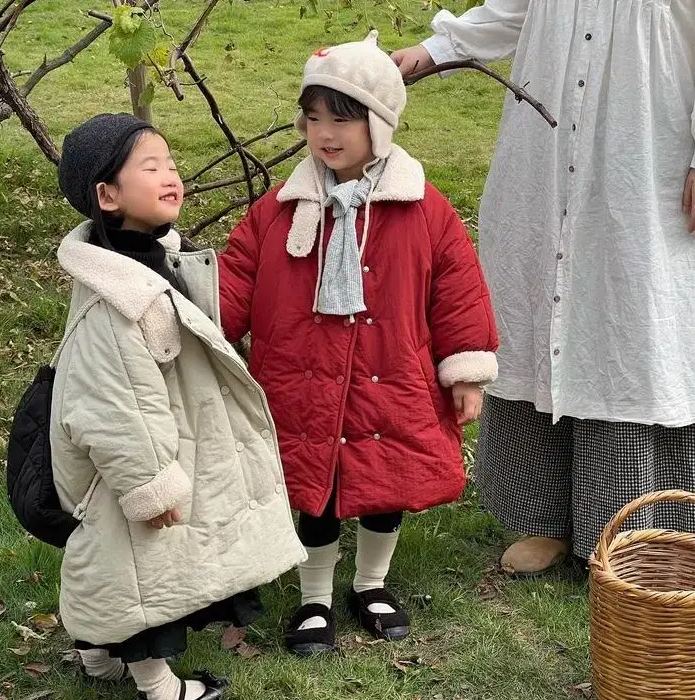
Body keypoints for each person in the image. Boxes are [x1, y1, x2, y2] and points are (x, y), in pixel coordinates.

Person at [218, 31, 498, 655]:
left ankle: (371, 583)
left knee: (382, 478)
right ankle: (315, 597)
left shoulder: (422, 208)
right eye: (313, 118)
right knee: (315, 486)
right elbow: (237, 273)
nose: (325, 133)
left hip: (388, 371)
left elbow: (457, 287)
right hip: (302, 373)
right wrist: (206, 328)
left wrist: (467, 369)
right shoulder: (281, 209)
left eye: (342, 119)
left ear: (380, 122)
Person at [392, 0, 695, 575]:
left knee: (627, 323)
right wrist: (431, 52)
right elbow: (512, 12)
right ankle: (546, 520)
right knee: (534, 307)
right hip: (544, 161)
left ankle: (629, 527)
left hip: (644, 163)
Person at [52, 113, 305, 699]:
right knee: (145, 574)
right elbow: (114, 405)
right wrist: (151, 485)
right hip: (137, 464)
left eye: (170, 163)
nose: (171, 175)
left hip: (171, 438)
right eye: (150, 166)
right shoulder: (113, 297)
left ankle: (95, 655)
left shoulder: (153, 259)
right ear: (108, 195)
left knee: (132, 569)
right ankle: (158, 685)